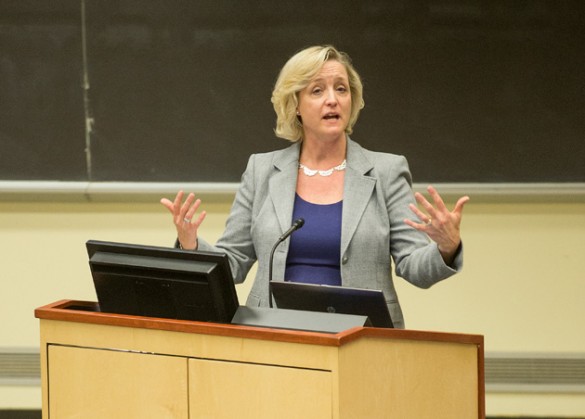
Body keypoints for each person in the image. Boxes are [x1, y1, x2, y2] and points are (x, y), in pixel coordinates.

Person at [161, 45, 469, 328]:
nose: (332, 99)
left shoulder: (386, 171)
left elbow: (414, 267)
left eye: (341, 89)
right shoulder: (262, 170)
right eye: (317, 91)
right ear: (295, 103)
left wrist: (446, 247)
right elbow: (235, 263)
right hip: (272, 334)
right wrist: (191, 245)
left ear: (353, 100)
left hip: (362, 337)